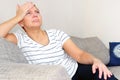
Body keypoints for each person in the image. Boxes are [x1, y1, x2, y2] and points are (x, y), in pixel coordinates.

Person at [0, 2, 118, 80]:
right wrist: (17, 17)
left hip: (76, 70)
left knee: (103, 73)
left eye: (37, 12)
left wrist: (95, 60)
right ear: (21, 22)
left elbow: (79, 54)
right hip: (57, 77)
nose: (35, 15)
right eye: (28, 13)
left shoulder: (56, 34)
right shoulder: (19, 38)